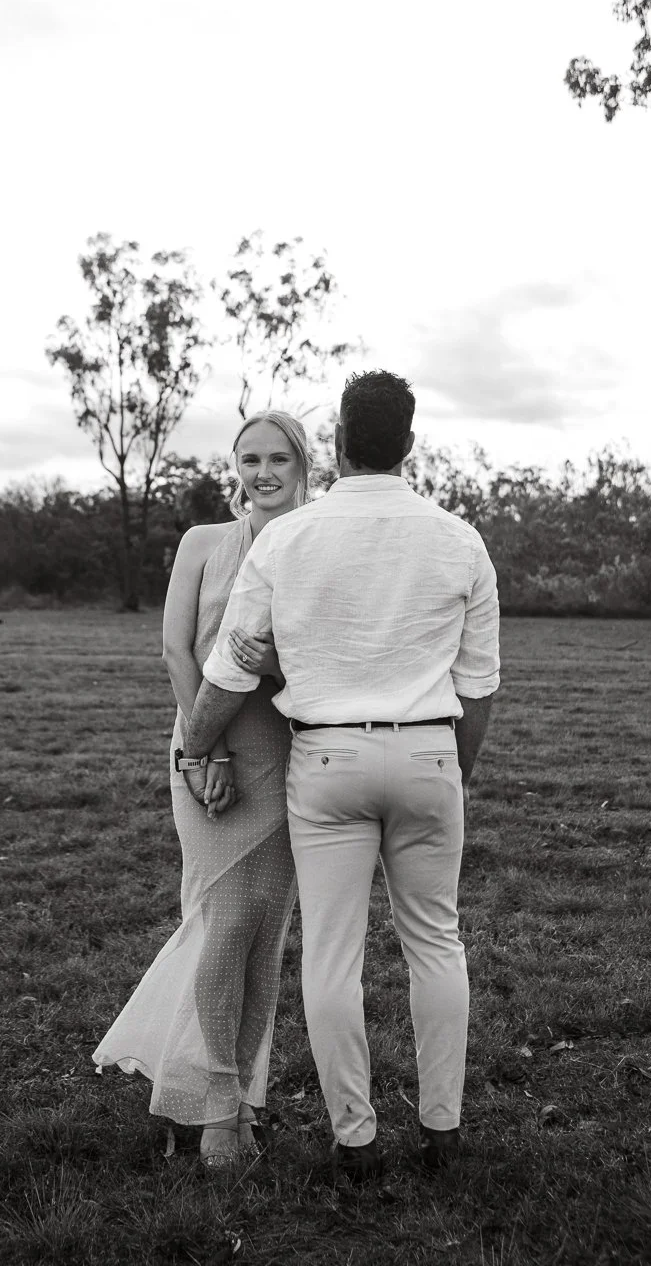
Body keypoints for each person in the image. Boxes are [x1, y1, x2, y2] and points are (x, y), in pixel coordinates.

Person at [178, 370, 500, 1182]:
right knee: (436, 942)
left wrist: (195, 746)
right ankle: (443, 1127)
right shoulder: (460, 539)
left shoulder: (289, 539)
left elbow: (229, 670)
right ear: (410, 444)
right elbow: (480, 686)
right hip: (429, 750)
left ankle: (354, 1138)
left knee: (330, 955)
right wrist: (451, 771)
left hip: (325, 760)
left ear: (341, 447)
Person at [92, 410, 312, 1166]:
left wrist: (274, 659)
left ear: (304, 464)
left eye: (279, 458)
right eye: (249, 458)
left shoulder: (316, 542)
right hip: (202, 747)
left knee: (263, 935)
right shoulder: (202, 543)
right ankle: (218, 1106)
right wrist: (200, 750)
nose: (263, 472)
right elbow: (176, 647)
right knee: (222, 921)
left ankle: (243, 1098)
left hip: (285, 756)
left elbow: (317, 663)